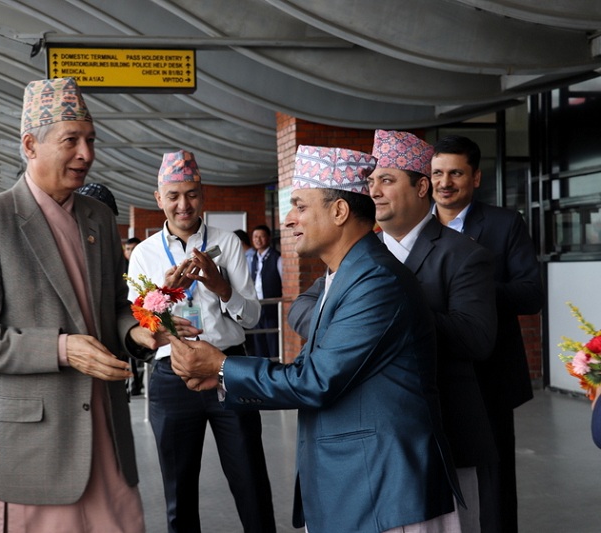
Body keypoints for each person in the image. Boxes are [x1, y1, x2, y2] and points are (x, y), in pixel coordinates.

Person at [168, 145, 463, 533]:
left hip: (385, 491)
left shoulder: (376, 281)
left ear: (339, 212)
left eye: (300, 206)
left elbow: (316, 380)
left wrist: (221, 365)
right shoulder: (344, 274)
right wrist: (221, 375)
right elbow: (312, 370)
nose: (288, 219)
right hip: (356, 485)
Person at [0, 77, 158, 533]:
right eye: (71, 141)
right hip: (33, 446)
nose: (86, 154)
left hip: (105, 428)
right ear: (30, 145)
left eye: (91, 140)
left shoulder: (99, 217)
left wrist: (134, 331)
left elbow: (114, 307)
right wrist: (62, 349)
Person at [126, 149, 275, 533]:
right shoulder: (143, 254)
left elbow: (252, 317)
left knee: (251, 480)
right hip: (171, 375)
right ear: (159, 198)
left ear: (203, 195)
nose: (183, 204)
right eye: (173, 196)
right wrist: (165, 293)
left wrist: (220, 286)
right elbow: (140, 323)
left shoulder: (228, 244)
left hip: (228, 370)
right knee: (178, 490)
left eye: (191, 194)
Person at [367, 129, 498, 531]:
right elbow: (305, 310)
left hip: (444, 432)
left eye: (386, 180)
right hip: (376, 432)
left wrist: (393, 313)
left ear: (421, 187)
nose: (374, 191)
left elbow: (476, 337)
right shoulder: (362, 251)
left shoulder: (464, 254)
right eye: (371, 181)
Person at [431, 135, 543, 533]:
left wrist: (472, 287)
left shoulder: (504, 223)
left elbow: (531, 294)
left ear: (476, 177)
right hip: (432, 372)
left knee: (494, 485)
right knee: (436, 473)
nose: (445, 182)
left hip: (489, 375)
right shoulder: (415, 225)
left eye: (456, 173)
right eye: (438, 173)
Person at [75, 183, 145, 397]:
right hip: (76, 357)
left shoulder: (113, 255)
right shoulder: (67, 250)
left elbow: (120, 302)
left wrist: (133, 331)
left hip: (112, 351)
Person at [249, 225, 282, 359]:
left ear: (268, 238)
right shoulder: (253, 258)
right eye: (255, 237)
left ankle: (275, 367)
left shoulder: (277, 258)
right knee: (259, 342)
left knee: (273, 342)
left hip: (271, 307)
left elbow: (285, 283)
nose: (258, 239)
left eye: (261, 236)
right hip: (257, 306)